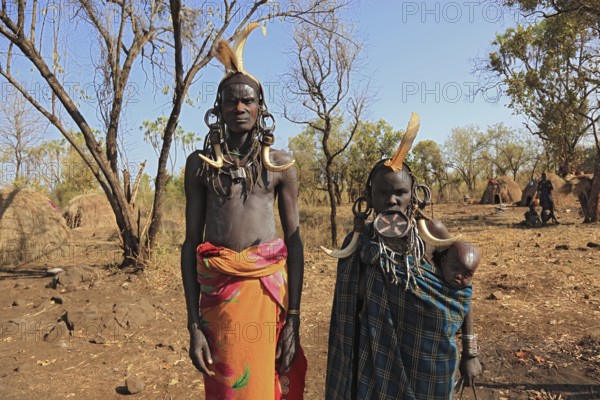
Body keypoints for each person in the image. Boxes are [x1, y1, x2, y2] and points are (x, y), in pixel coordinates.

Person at [181, 24, 306, 399]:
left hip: (267, 295)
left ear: (260, 108)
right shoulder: (200, 164)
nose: (239, 107)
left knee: (267, 384)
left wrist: (294, 321)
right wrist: (193, 326)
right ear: (216, 109)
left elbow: (295, 245)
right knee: (227, 388)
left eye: (248, 101)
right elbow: (190, 244)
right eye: (231, 101)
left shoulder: (280, 165)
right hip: (218, 297)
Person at [324, 113, 482, 400]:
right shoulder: (357, 242)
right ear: (368, 197)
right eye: (383, 193)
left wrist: (470, 352)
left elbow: (461, 293)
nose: (392, 200)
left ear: (415, 195)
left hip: (428, 359)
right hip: (372, 361)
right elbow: (347, 311)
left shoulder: (433, 234)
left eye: (400, 192)